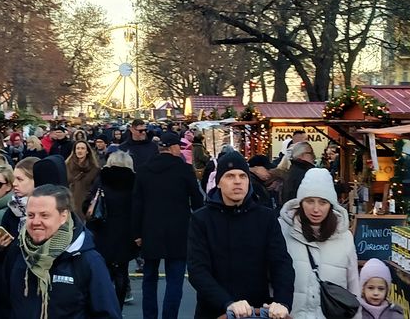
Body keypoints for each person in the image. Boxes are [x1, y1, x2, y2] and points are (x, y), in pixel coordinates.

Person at [187, 150, 294, 319]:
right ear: (219, 182)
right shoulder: (201, 219)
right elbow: (198, 270)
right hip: (215, 311)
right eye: (230, 176)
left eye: (242, 176)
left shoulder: (266, 217)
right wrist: (227, 302)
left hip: (258, 311)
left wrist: (283, 302)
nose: (237, 181)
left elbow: (281, 263)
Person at [6, 184, 121, 318]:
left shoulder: (87, 260)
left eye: (44, 215)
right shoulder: (18, 252)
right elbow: (6, 305)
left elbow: (108, 314)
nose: (36, 221)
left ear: (63, 216)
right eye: (31, 215)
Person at [133, 132, 204, 319]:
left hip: (150, 228)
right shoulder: (184, 169)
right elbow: (196, 199)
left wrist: (137, 232)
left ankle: (150, 316)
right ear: (174, 148)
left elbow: (137, 203)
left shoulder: (144, 169)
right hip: (179, 229)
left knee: (149, 277)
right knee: (175, 279)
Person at [278, 167, 359, 318]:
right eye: (310, 201)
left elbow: (354, 289)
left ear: (331, 204)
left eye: (323, 202)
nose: (316, 209)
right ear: (300, 202)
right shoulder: (282, 231)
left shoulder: (345, 238)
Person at [83, 151, 138, 311]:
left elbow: (88, 203)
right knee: (122, 271)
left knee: (103, 272)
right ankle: (117, 309)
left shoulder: (102, 179)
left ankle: (103, 307)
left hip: (102, 229)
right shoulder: (134, 181)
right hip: (125, 232)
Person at [66, 140, 100, 219]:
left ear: (87, 151)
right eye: (78, 148)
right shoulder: (67, 166)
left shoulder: (94, 169)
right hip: (69, 203)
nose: (80, 151)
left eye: (82, 148)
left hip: (85, 205)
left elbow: (96, 189)